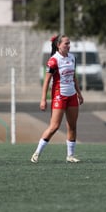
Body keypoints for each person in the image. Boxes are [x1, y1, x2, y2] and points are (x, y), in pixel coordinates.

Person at [31, 35, 84, 163]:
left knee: (72, 126)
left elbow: (74, 77)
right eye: (66, 43)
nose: (68, 45)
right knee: (54, 126)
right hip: (59, 96)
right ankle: (36, 153)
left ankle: (70, 156)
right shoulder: (54, 60)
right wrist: (43, 99)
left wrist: (79, 93)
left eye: (69, 43)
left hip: (72, 96)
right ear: (58, 45)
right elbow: (46, 81)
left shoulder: (72, 58)